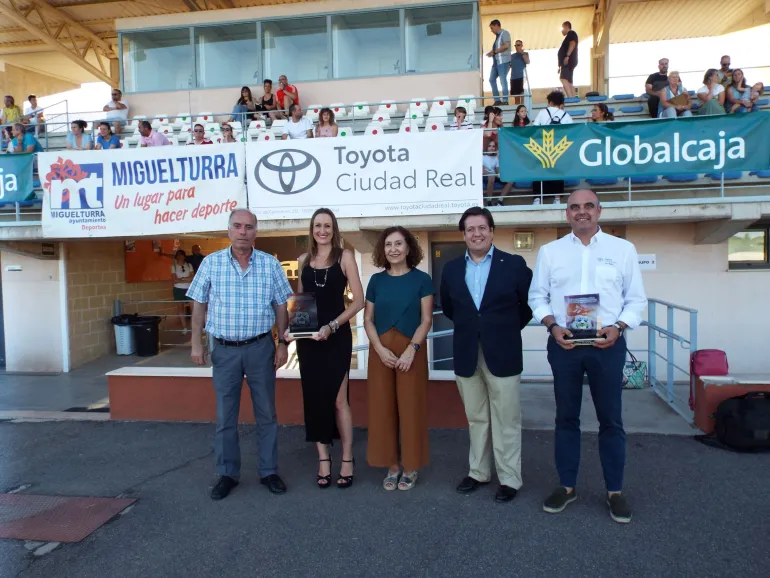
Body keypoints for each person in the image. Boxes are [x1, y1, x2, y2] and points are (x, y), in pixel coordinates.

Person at [528, 189, 647, 524]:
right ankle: (567, 487)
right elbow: (537, 296)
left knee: (611, 420)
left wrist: (620, 326)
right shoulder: (551, 252)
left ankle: (615, 492)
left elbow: (636, 300)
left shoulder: (622, 250)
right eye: (575, 207)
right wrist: (551, 325)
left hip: (607, 345)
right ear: (567, 214)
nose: (582, 212)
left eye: (588, 206)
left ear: (599, 211)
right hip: (564, 344)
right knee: (566, 417)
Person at [187, 208, 293, 500]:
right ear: (229, 230)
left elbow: (282, 306)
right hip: (224, 351)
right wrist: (196, 344)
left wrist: (283, 343)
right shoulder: (211, 263)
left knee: (267, 414)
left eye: (249, 226)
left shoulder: (270, 265)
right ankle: (227, 474)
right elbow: (198, 305)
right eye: (238, 226)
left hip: (261, 348)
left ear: (256, 231)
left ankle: (269, 471)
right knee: (225, 417)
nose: (243, 231)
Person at [439, 207, 532, 503]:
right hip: (467, 351)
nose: (476, 234)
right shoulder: (452, 269)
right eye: (470, 229)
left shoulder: (514, 265)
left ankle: (509, 478)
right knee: (477, 417)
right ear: (463, 234)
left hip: (503, 351)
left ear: (492, 231)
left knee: (507, 418)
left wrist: (501, 329)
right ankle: (478, 471)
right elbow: (451, 308)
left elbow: (529, 306)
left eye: (482, 228)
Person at [285, 208, 364, 489]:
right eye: (318, 225)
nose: (322, 230)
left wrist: (332, 325)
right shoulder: (304, 259)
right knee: (315, 400)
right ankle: (323, 460)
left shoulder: (345, 257)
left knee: (339, 400)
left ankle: (347, 458)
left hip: (336, 337)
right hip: (309, 342)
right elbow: (301, 302)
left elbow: (358, 302)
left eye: (327, 225)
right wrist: (293, 329)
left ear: (334, 229)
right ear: (312, 228)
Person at [364, 226, 433, 491]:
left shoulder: (422, 279)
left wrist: (411, 350)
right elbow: (368, 319)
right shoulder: (376, 281)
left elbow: (426, 320)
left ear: (408, 248)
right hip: (380, 352)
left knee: (411, 409)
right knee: (382, 409)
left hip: (410, 353)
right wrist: (380, 349)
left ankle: (412, 466)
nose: (393, 249)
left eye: (398, 244)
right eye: (388, 244)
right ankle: (392, 465)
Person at [532, 91, 573, 205]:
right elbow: (571, 132)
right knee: (558, 171)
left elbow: (534, 129)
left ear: (549, 102)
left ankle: (537, 198)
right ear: (561, 103)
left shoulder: (542, 112)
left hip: (543, 146)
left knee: (539, 171)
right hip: (559, 148)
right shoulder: (566, 115)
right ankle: (557, 198)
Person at [487, 20, 511, 106]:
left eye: (492, 28)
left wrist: (495, 52)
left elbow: (506, 45)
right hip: (496, 63)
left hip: (503, 62)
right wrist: (491, 53)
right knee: (491, 79)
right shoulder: (497, 37)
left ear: (497, 25)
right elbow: (498, 48)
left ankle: (505, 100)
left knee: (502, 80)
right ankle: (497, 100)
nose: (491, 30)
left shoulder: (504, 33)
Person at [482, 139, 512, 205]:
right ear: (486, 147)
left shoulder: (495, 158)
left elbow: (498, 171)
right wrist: (492, 174)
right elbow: (482, 171)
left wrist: (501, 175)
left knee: (511, 180)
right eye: (490, 146)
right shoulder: (482, 156)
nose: (492, 148)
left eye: (493, 146)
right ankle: (489, 201)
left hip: (494, 176)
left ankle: (500, 200)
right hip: (485, 177)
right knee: (491, 177)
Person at [171, 250, 194, 334]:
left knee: (193, 308)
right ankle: (184, 327)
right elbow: (174, 280)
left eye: (182, 255)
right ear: (176, 257)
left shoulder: (189, 265)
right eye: (178, 255)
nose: (180, 257)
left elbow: (192, 277)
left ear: (184, 256)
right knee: (181, 308)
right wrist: (186, 279)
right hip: (178, 289)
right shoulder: (174, 266)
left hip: (189, 288)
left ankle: (194, 326)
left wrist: (181, 279)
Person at [558, 21, 579, 97]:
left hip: (568, 60)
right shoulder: (569, 35)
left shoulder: (571, 33)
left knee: (563, 79)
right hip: (569, 61)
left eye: (562, 28)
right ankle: (573, 97)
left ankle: (571, 97)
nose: (561, 31)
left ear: (567, 27)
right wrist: (560, 66)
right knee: (569, 81)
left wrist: (567, 56)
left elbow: (572, 43)